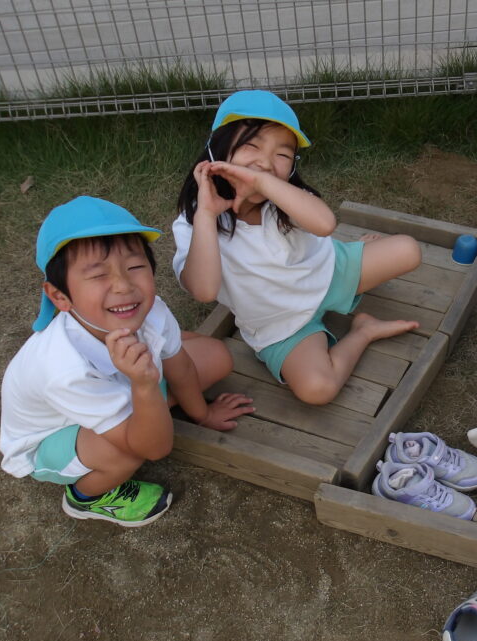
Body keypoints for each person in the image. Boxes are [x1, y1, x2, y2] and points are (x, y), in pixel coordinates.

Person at [0, 196, 253, 527]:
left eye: (134, 267)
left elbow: (181, 366)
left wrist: (203, 414)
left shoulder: (152, 308)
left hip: (119, 388)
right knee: (126, 451)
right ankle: (86, 497)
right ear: (60, 296)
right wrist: (145, 386)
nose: (123, 285)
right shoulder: (65, 370)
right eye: (97, 275)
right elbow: (155, 449)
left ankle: (145, 407)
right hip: (54, 436)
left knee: (216, 357)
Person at [173, 90, 422, 405]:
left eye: (282, 154)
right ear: (217, 149)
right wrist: (207, 216)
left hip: (328, 273)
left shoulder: (284, 196)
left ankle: (354, 251)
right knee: (318, 389)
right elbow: (204, 290)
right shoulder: (193, 222)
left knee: (409, 250)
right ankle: (364, 331)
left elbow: (325, 224)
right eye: (251, 145)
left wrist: (262, 182)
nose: (265, 162)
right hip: (280, 324)